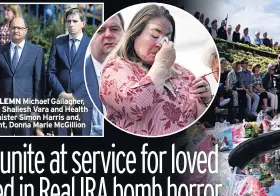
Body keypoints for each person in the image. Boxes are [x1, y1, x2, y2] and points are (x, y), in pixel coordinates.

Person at [100, 4, 212, 136]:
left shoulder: (184, 74)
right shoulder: (114, 69)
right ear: (134, 35)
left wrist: (205, 100)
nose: (161, 44)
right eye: (154, 35)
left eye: (167, 39)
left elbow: (195, 120)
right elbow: (134, 106)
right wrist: (162, 66)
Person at [0, 16, 45, 136]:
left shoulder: (36, 52)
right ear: (8, 29)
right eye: (13, 28)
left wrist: (36, 109)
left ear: (26, 30)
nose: (16, 31)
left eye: (20, 28)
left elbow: (38, 82)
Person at [75, 13, 124, 136]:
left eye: (114, 29)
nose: (108, 35)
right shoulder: (77, 74)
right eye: (100, 30)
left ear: (125, 33)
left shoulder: (146, 75)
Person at [47, 8, 90, 135]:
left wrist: (74, 96)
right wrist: (62, 93)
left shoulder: (92, 45)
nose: (71, 24)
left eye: (75, 21)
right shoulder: (58, 43)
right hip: (60, 101)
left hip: (83, 101)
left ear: (83, 23)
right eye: (68, 21)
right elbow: (50, 72)